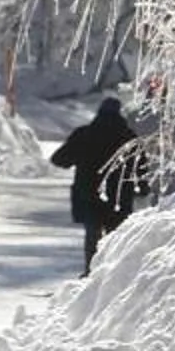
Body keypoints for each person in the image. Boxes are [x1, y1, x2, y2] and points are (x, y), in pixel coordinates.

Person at [50, 94, 145, 276]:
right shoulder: (129, 138)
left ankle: (91, 272)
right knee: (115, 235)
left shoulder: (84, 134)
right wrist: (142, 187)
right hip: (119, 196)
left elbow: (59, 159)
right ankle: (111, 274)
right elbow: (141, 167)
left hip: (89, 193)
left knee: (92, 234)